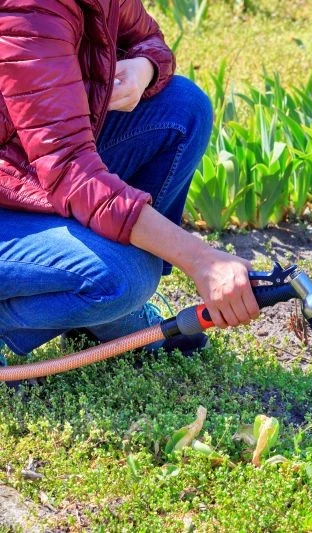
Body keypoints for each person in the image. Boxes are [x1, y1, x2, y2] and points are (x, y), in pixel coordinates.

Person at [0, 0, 259, 377]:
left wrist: (143, 68)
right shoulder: (30, 10)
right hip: (30, 178)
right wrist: (202, 259)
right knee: (125, 275)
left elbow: (146, 36)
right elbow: (71, 171)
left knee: (183, 109)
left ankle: (97, 322)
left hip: (21, 169)